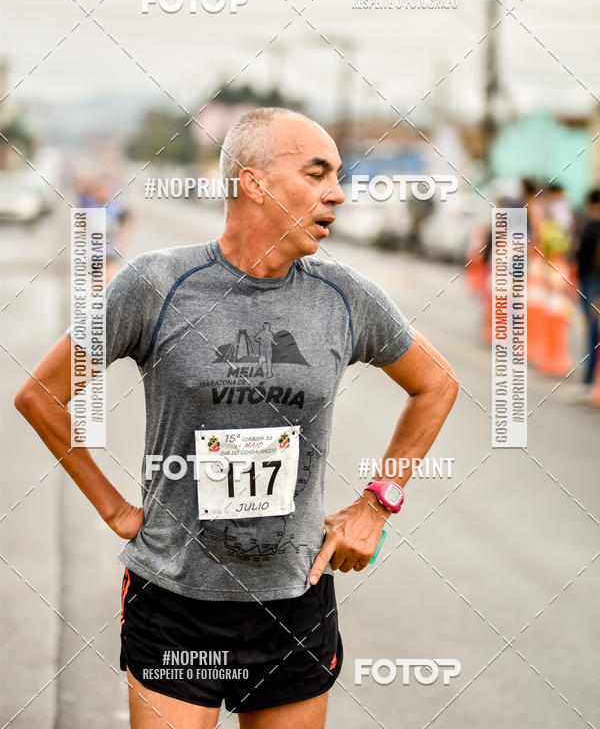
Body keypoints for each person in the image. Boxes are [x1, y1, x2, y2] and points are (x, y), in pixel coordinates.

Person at [14, 107, 458, 729]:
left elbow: (436, 385)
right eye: (317, 172)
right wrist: (114, 508)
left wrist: (377, 503)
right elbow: (41, 395)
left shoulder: (344, 296)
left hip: (295, 598)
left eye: (337, 174)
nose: (337, 191)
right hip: (176, 602)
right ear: (254, 182)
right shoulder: (155, 285)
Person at [575, 189, 600, 389]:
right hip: (589, 281)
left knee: (594, 329)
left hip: (592, 281)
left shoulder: (592, 226)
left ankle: (590, 377)